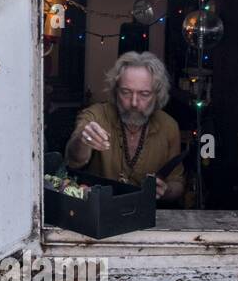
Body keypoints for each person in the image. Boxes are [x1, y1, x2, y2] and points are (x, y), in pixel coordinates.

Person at [66, 51, 185, 202]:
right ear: (116, 91)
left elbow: (178, 183)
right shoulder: (96, 115)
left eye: (144, 94)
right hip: (100, 213)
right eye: (126, 92)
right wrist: (83, 139)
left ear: (158, 95)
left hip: (147, 216)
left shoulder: (169, 127)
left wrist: (166, 190)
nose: (134, 103)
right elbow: (73, 159)